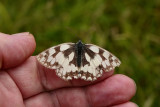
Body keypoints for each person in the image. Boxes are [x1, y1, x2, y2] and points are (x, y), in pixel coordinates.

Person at [0, 32, 137, 107]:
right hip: (87, 67)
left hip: (69, 66)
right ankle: (83, 72)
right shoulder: (94, 50)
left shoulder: (64, 49)